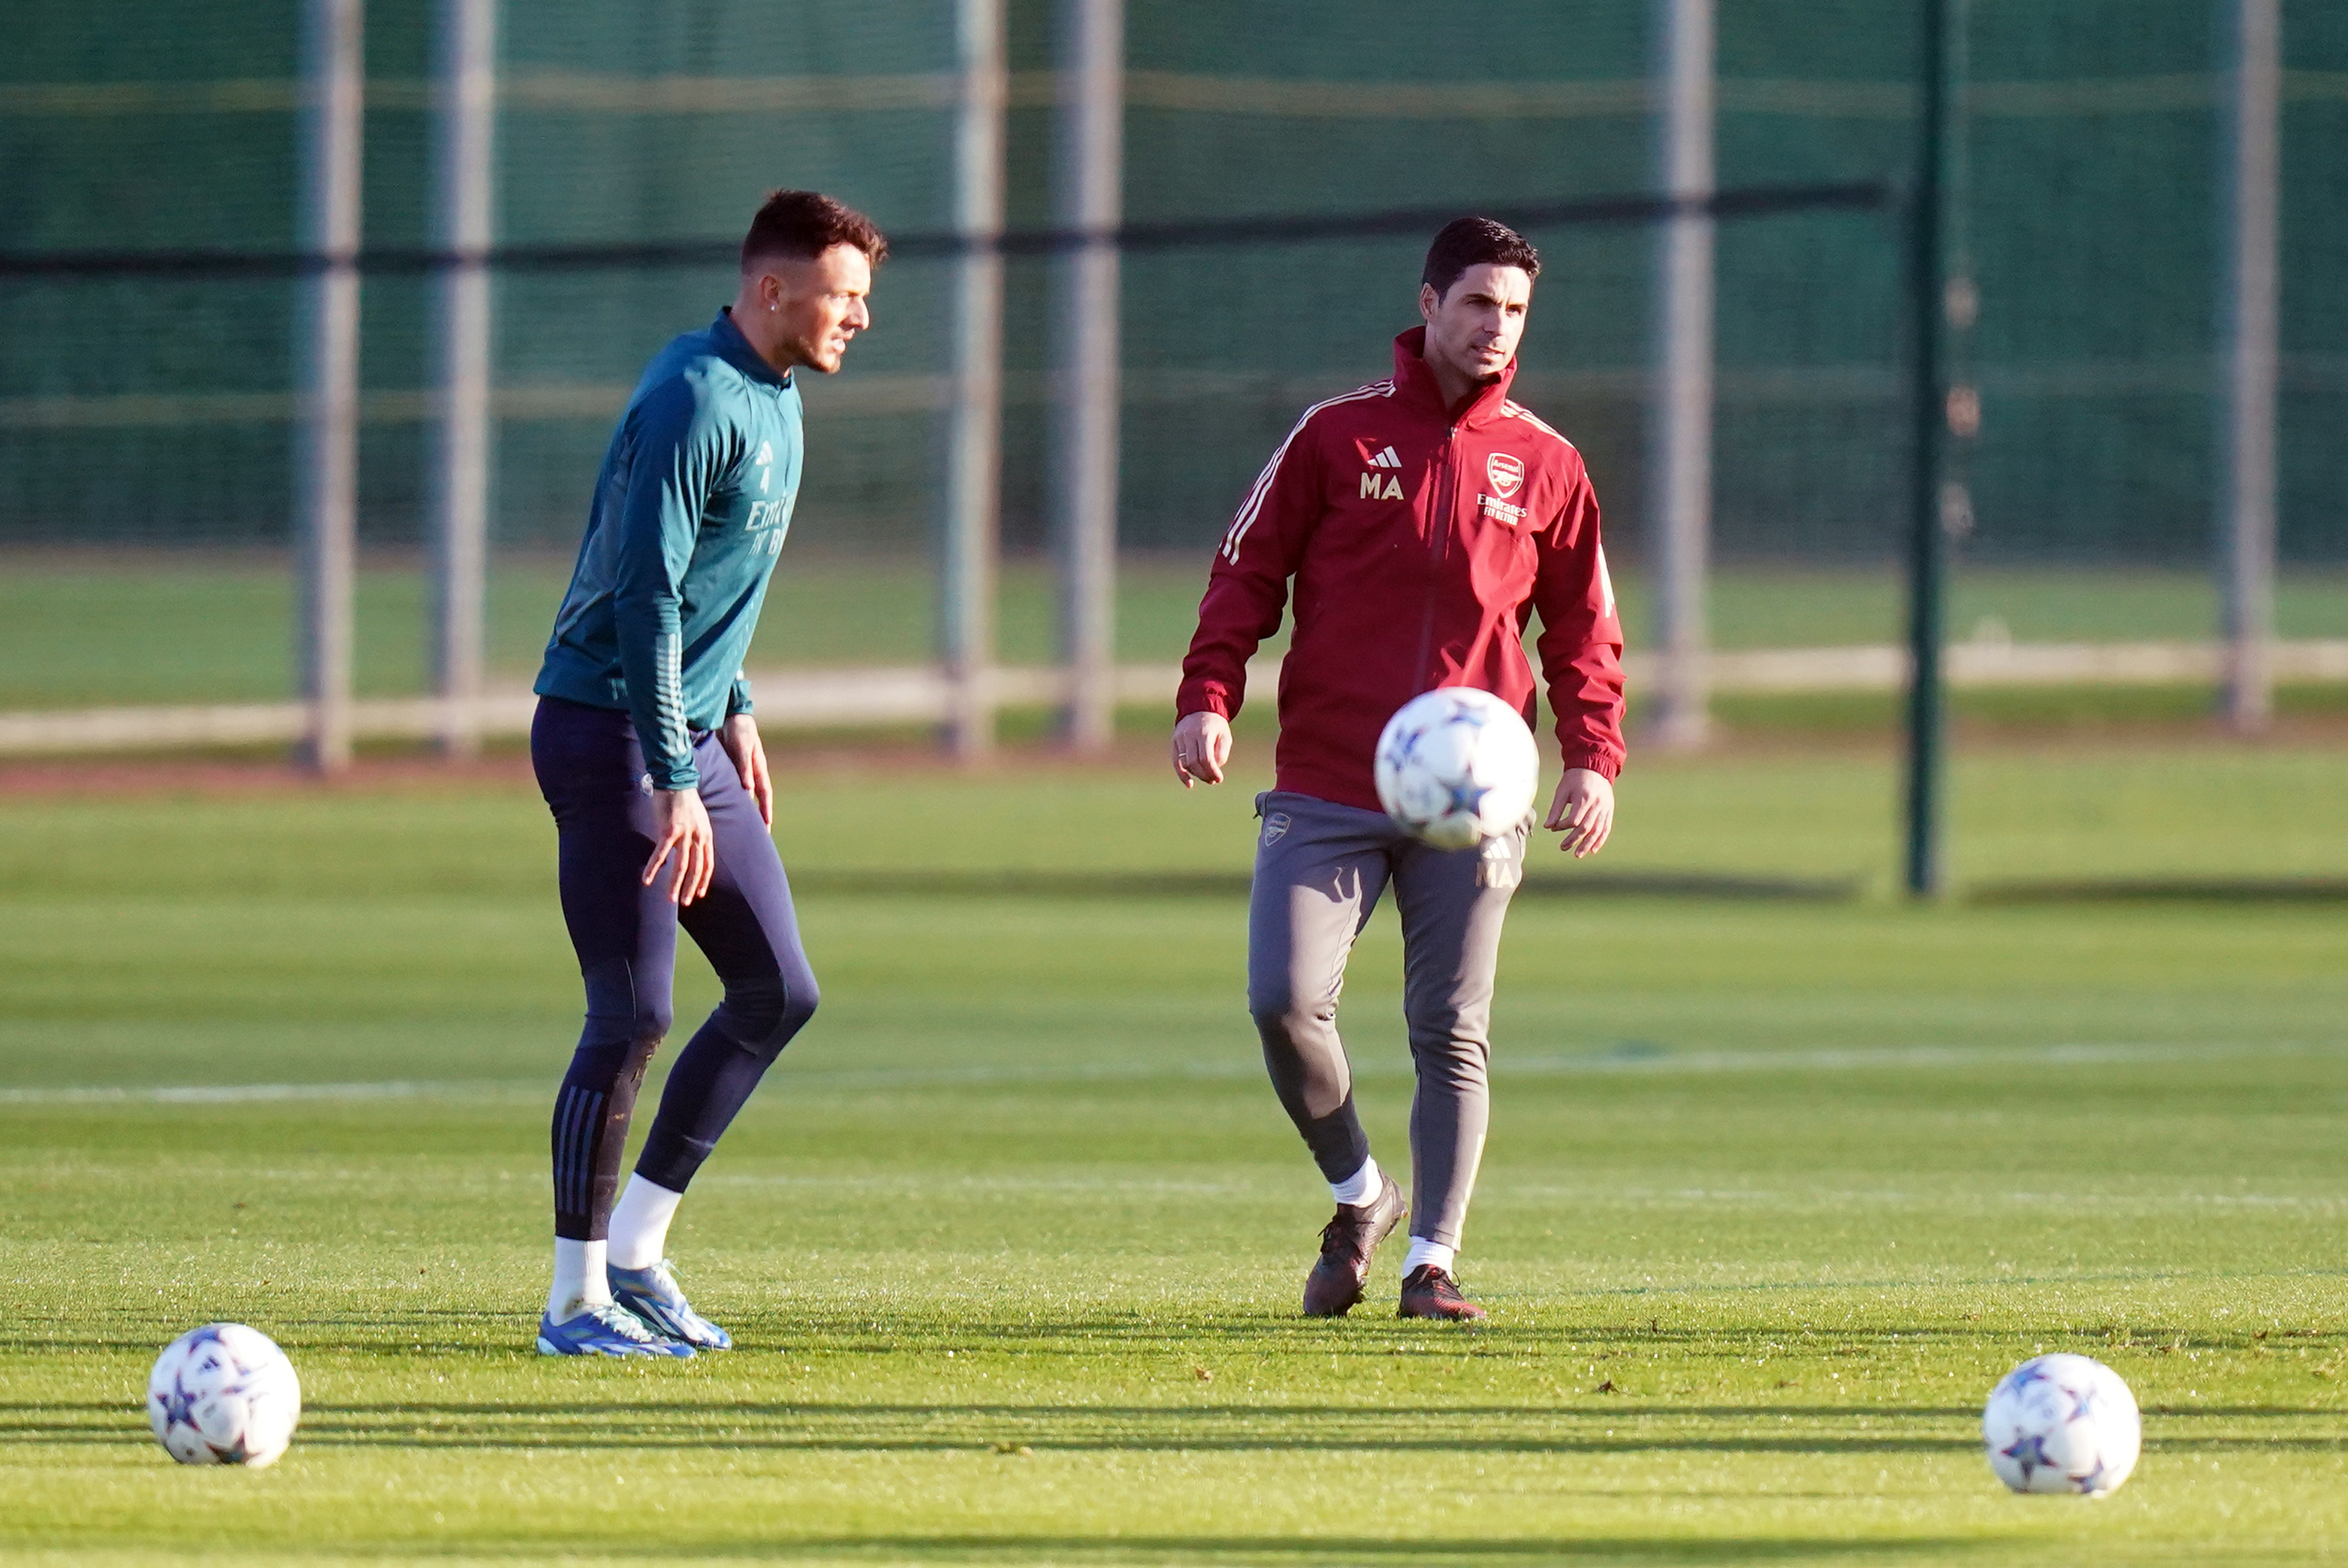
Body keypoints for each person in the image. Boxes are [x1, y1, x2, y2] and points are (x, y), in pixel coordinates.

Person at [1171, 217, 1626, 1322]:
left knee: (1450, 1030)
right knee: (1283, 1002)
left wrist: (1593, 756)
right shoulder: (1335, 434)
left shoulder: (1549, 462)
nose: (1496, 327)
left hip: (1476, 796)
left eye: (1514, 310)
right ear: (1427, 304)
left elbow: (1583, 627)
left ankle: (1432, 1263)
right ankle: (1360, 1193)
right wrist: (1208, 696)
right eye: (1477, 303)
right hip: (1329, 777)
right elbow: (1245, 572)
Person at [527, 189, 885, 1357]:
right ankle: (572, 1303)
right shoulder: (691, 396)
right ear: (771, 289)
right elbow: (642, 595)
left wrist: (737, 707)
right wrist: (676, 775)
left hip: (684, 733)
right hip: (611, 734)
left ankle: (636, 1257)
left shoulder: (776, 398)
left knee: (778, 991)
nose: (859, 318)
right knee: (632, 1014)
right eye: (842, 295)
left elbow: (707, 589)